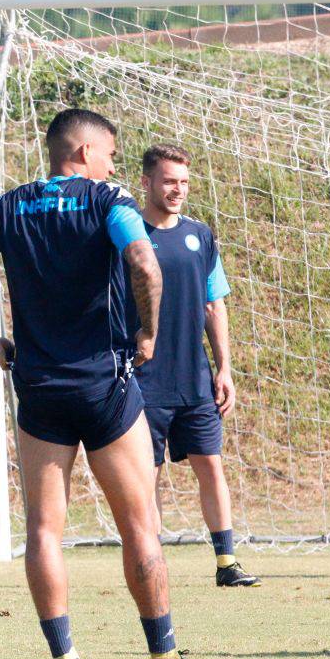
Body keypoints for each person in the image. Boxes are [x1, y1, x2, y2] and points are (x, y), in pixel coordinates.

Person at [0, 110, 228, 659]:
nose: (115, 164)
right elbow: (144, 261)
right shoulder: (108, 200)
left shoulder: (6, 206)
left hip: (39, 389)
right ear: (84, 153)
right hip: (105, 385)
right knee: (139, 522)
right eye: (111, 154)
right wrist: (147, 333)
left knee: (44, 530)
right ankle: (164, 657)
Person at [130, 144, 260, 587]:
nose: (177, 189)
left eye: (184, 182)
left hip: (195, 377)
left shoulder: (199, 236)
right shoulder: (125, 234)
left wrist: (224, 367)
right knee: (148, 476)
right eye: (169, 181)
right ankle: (153, 564)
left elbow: (213, 303)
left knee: (211, 465)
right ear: (146, 182)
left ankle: (227, 562)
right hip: (143, 381)